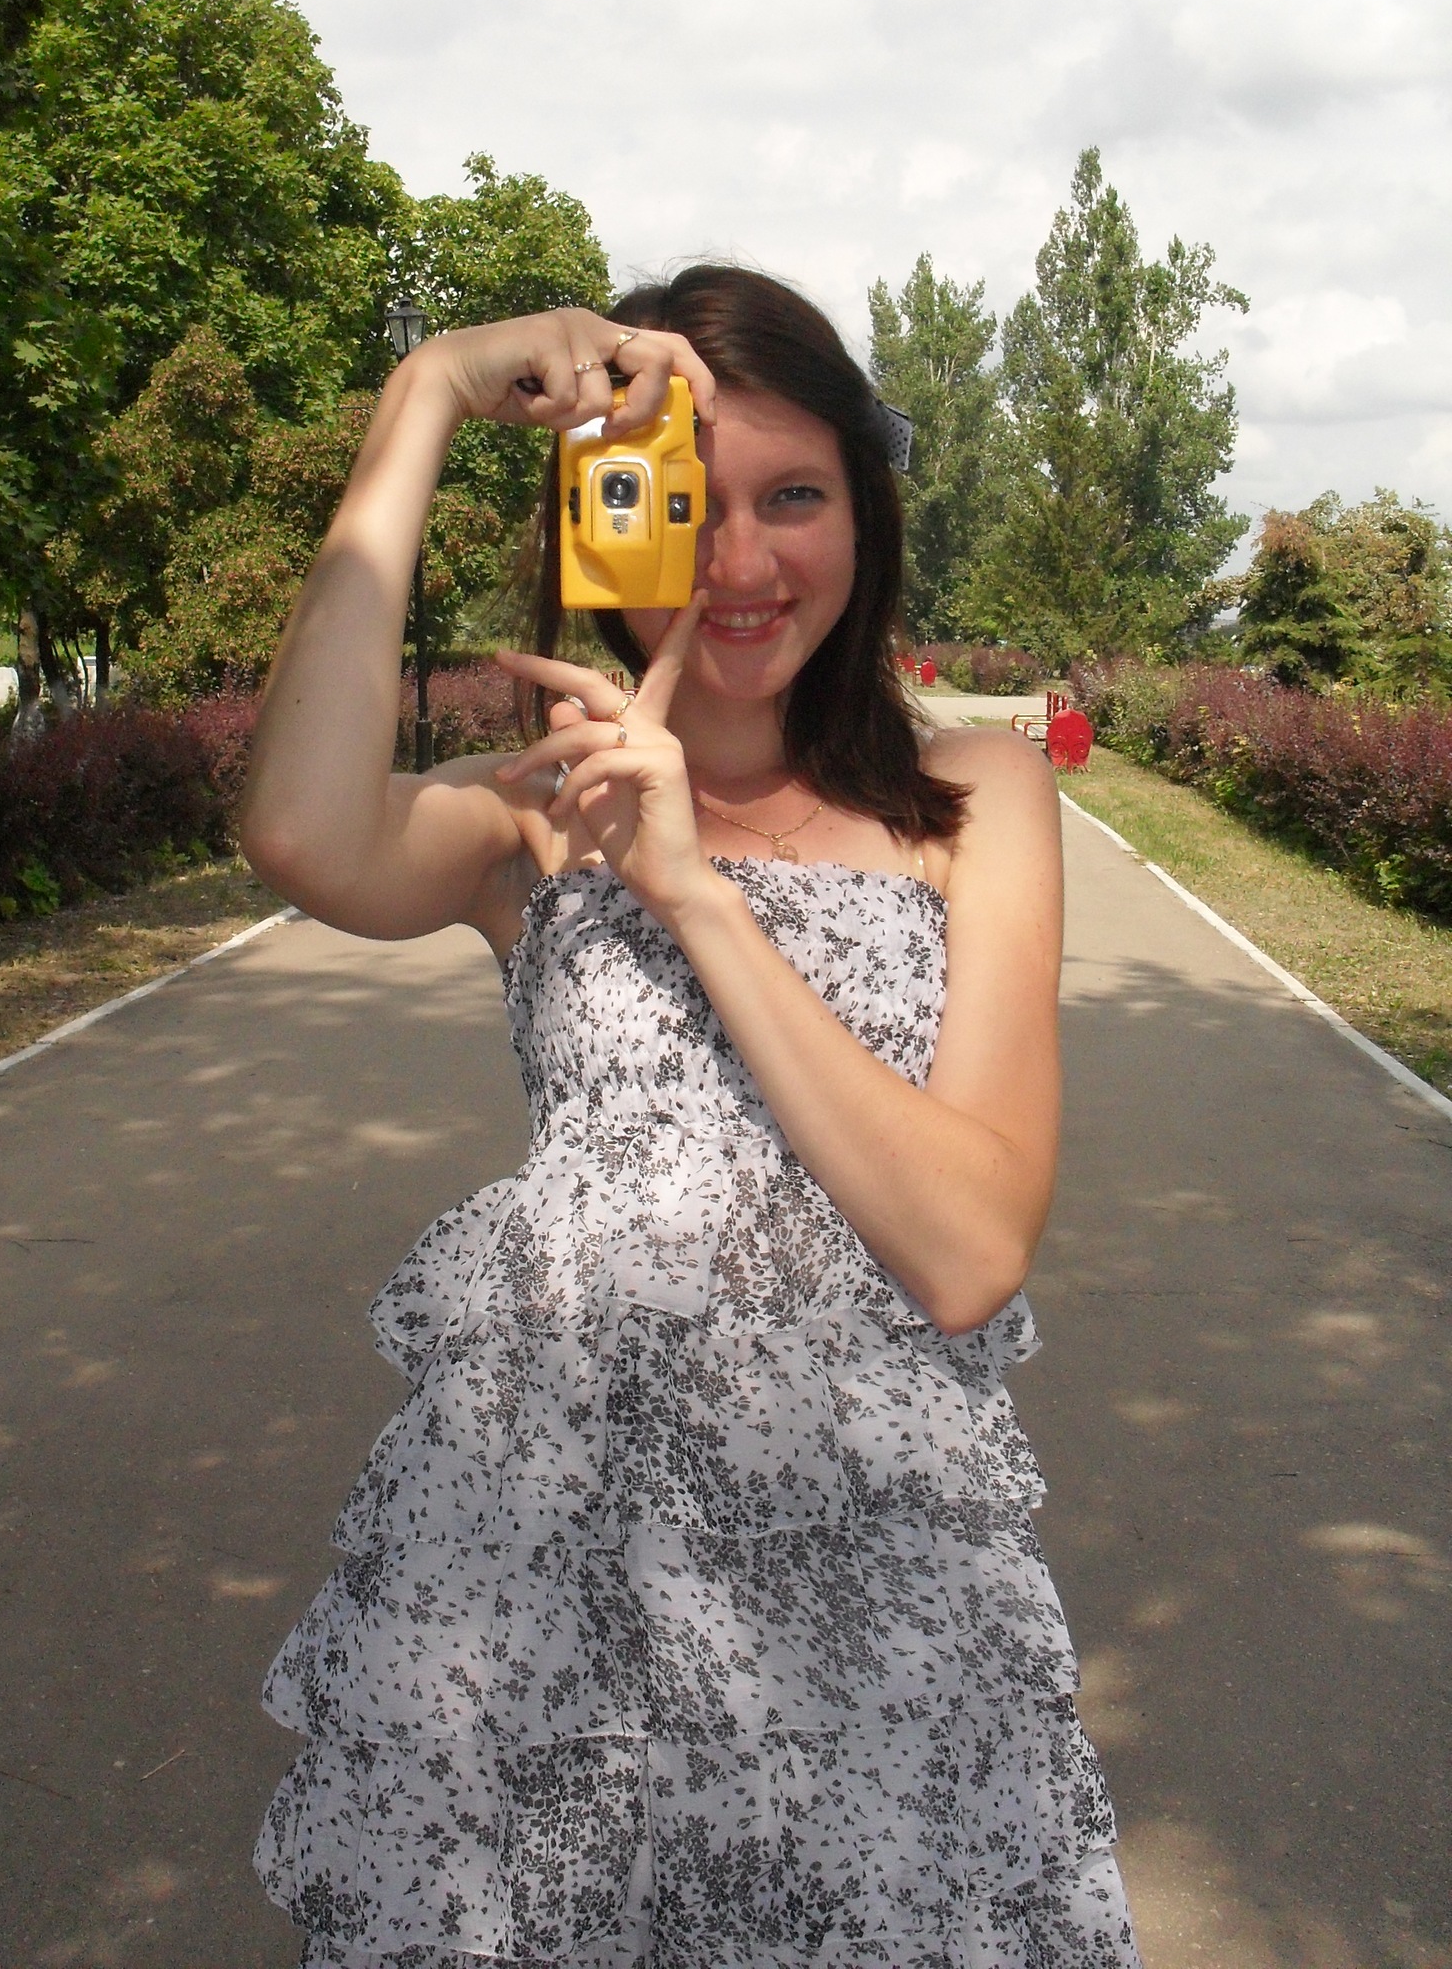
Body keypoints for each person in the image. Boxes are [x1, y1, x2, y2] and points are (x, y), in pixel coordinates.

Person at [241, 264, 1142, 1969]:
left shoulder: (974, 800)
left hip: (869, 1614)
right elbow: (298, 830)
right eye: (682, 503)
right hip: (546, 1602)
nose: (739, 565)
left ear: (865, 515)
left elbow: (967, 1252)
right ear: (598, 521)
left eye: (794, 498)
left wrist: (691, 891)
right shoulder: (536, 812)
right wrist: (427, 392)